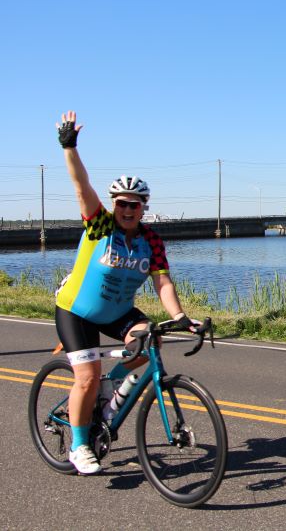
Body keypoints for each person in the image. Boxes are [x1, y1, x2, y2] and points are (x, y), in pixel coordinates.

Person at [54, 110, 199, 475]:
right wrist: (69, 146)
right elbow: (81, 187)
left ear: (143, 208)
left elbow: (162, 283)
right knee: (86, 377)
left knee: (150, 341)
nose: (128, 209)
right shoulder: (100, 226)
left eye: (135, 204)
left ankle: (110, 393)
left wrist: (179, 317)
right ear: (114, 205)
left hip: (117, 312)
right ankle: (79, 445)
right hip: (78, 311)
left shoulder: (151, 240)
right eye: (122, 203)